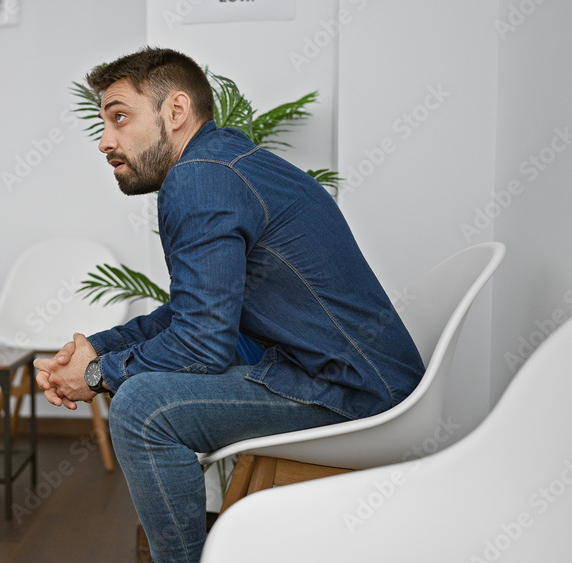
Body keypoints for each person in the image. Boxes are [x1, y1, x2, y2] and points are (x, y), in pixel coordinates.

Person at [33, 47, 425, 563]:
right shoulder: (221, 163)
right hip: (350, 376)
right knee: (147, 387)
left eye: (120, 118)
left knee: (144, 411)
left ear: (175, 111)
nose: (105, 141)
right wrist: (97, 351)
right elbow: (192, 313)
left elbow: (201, 345)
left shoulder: (200, 178)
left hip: (356, 393)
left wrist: (98, 375)